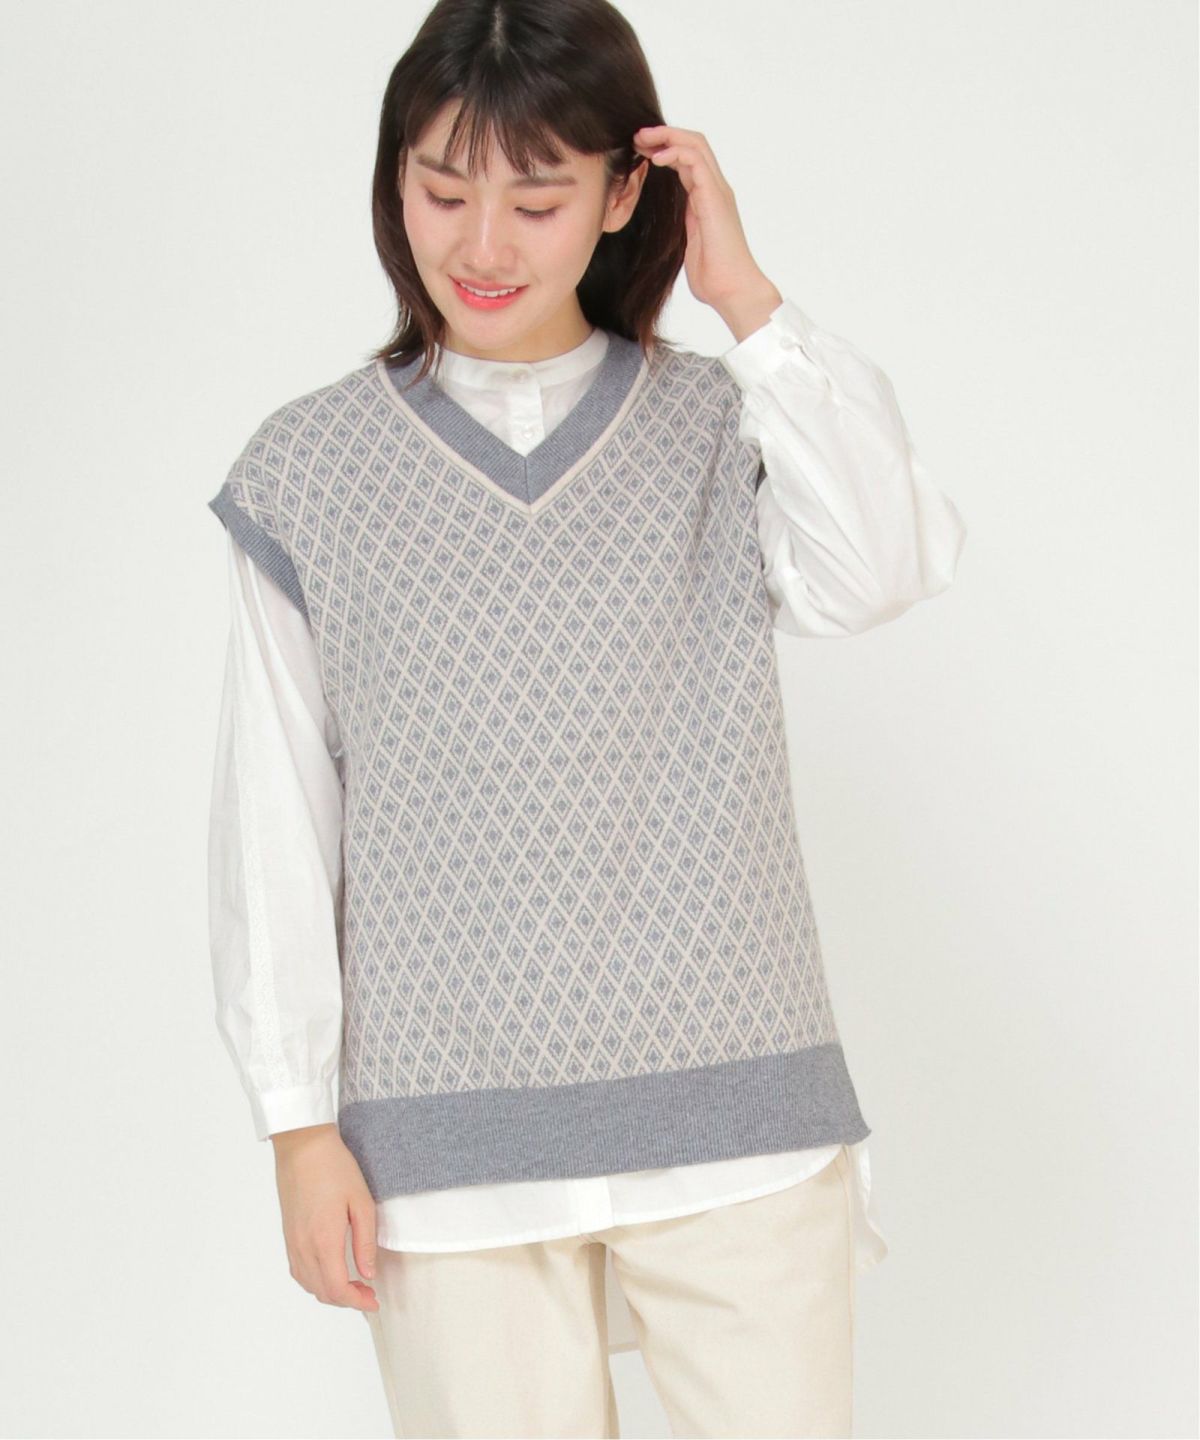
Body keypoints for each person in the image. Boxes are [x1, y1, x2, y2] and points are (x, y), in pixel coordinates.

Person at [205, 1, 966, 1435]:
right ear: (394, 184)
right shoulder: (307, 470)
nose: (482, 244)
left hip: (738, 1114)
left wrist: (747, 299)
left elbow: (882, 567)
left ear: (625, 194)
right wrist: (298, 1127)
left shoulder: (717, 423)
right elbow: (276, 817)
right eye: (442, 191)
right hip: (448, 1133)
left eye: (538, 198)